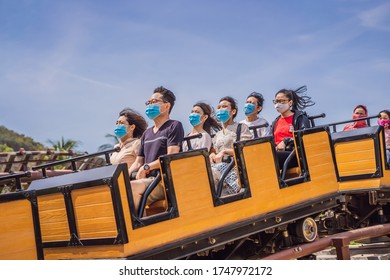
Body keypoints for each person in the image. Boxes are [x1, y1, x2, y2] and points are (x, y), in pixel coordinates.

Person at [128, 86, 184, 213]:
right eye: (148, 103)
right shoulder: (146, 134)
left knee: (131, 188)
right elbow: (138, 162)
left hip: (162, 180)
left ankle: (138, 230)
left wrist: (147, 167)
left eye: (154, 102)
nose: (149, 105)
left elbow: (171, 157)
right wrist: (123, 176)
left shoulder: (174, 126)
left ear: (167, 106)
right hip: (146, 180)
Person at [210, 96, 252, 195]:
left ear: (233, 111)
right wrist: (212, 155)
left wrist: (224, 151)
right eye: (219, 107)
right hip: (219, 166)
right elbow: (214, 151)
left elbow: (245, 149)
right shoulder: (217, 135)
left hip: (234, 166)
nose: (220, 109)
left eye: (224, 106)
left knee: (210, 174)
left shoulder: (241, 127)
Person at [271, 85, 315, 169]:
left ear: (290, 103)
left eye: (281, 101)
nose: (278, 104)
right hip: (278, 153)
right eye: (276, 101)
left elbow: (304, 137)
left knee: (272, 157)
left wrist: (286, 141)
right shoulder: (275, 122)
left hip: (294, 153)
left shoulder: (300, 118)